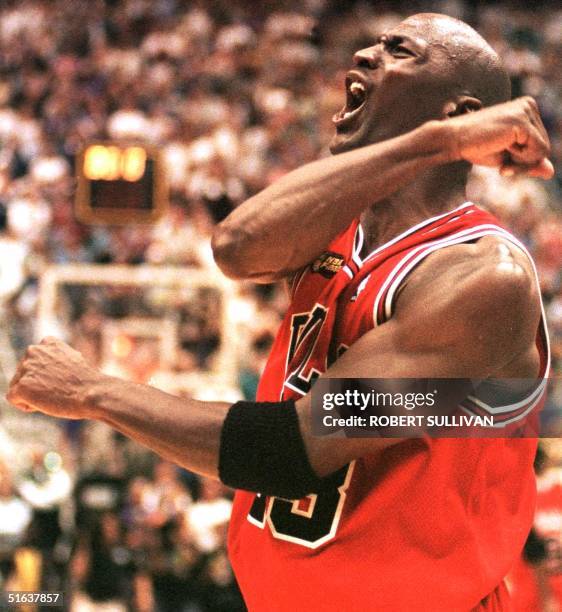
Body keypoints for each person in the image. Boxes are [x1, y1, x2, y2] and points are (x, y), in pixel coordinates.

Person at [7, 13, 555, 611]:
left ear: (460, 110)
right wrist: (436, 142)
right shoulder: (333, 233)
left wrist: (93, 392)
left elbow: (296, 449)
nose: (367, 53)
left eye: (399, 50)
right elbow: (236, 249)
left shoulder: (482, 278)